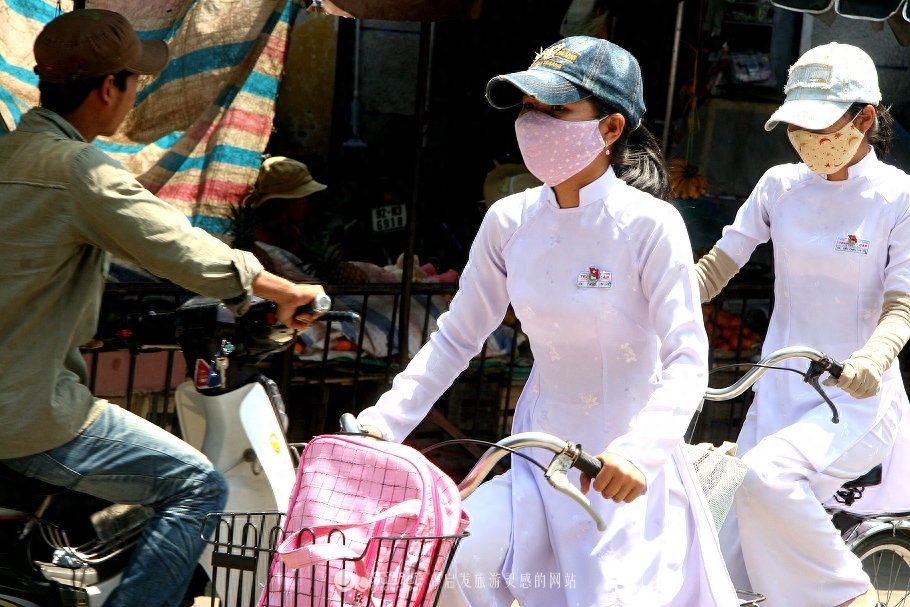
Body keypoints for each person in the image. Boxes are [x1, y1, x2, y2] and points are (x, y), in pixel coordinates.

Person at [356, 36, 738, 607]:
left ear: (611, 128)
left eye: (556, 109)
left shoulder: (650, 225)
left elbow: (686, 358)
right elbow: (458, 336)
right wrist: (381, 426)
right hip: (537, 463)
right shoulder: (508, 220)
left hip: (623, 474)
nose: (534, 123)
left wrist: (640, 452)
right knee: (455, 561)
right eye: (529, 107)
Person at [0, 10, 324, 607]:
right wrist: (282, 291)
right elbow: (173, 243)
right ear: (108, 87)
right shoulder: (77, 169)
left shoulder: (10, 155)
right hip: (27, 412)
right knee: (196, 486)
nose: (135, 93)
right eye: (134, 81)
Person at [695, 42, 910, 607]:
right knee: (718, 566)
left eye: (820, 126)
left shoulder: (898, 196)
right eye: (796, 125)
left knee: (767, 476)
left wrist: (871, 361)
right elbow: (717, 267)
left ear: (864, 118)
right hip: (777, 394)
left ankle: (850, 598)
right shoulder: (779, 186)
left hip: (855, 400)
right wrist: (648, 303)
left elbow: (901, 306)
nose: (806, 139)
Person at [249, 155, 328, 249]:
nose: (309, 209)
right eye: (305, 203)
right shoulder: (263, 241)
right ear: (285, 204)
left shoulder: (291, 233)